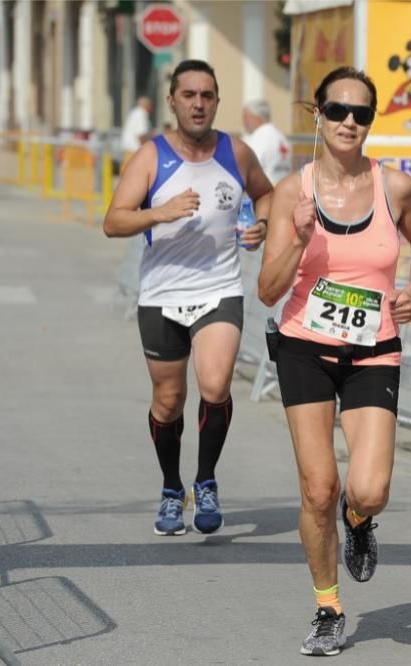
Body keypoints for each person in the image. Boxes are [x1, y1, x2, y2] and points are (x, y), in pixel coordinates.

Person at [257, 66, 411, 656]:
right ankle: (328, 606)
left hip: (374, 350)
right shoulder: (293, 192)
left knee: (370, 487)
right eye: (337, 110)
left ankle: (358, 522)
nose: (349, 122)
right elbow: (267, 289)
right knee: (317, 487)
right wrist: (301, 239)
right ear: (318, 115)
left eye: (361, 113)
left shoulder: (397, 188)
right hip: (305, 346)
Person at [103, 60, 273, 538]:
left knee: (216, 385)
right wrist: (159, 212)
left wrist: (262, 225)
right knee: (169, 400)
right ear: (173, 101)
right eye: (189, 95)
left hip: (219, 289)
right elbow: (113, 221)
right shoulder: (151, 157)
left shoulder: (235, 152)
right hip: (161, 295)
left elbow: (267, 194)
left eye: (207, 95)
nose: (198, 103)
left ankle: (207, 479)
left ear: (217, 102)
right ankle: (172, 488)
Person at [242, 99, 291, 185]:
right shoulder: (280, 137)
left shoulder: (259, 137)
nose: (244, 122)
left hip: (265, 190)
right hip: (282, 186)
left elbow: (248, 167)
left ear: (258, 117)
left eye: (246, 117)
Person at [120, 96, 154, 171]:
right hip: (134, 151)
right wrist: (146, 149)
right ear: (146, 105)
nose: (152, 108)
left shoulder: (135, 113)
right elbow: (140, 135)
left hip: (130, 150)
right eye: (150, 105)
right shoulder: (140, 114)